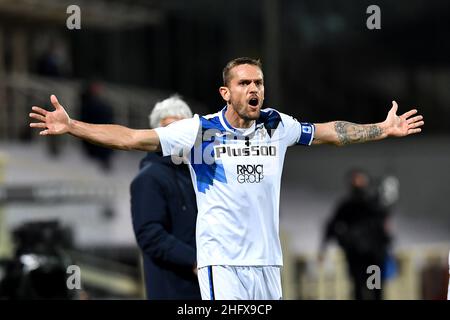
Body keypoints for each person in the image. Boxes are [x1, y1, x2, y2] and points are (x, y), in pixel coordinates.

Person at [29, 57, 424, 300]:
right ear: (226, 92)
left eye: (259, 83)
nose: (254, 89)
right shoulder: (200, 131)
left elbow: (328, 132)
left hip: (268, 264)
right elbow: (132, 138)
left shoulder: (276, 125)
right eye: (244, 83)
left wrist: (381, 128)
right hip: (224, 264)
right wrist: (73, 125)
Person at [130, 95, 201, 300]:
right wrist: (195, 260)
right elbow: (150, 234)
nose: (177, 135)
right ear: (156, 134)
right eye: (170, 128)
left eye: (183, 128)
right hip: (172, 291)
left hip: (203, 289)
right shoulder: (148, 178)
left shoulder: (197, 176)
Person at [318, 169, 392, 300]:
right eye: (355, 181)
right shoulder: (347, 206)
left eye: (361, 180)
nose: (358, 184)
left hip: (373, 256)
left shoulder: (374, 204)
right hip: (356, 256)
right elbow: (332, 226)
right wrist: (323, 248)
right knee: (358, 288)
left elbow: (385, 223)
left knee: (375, 289)